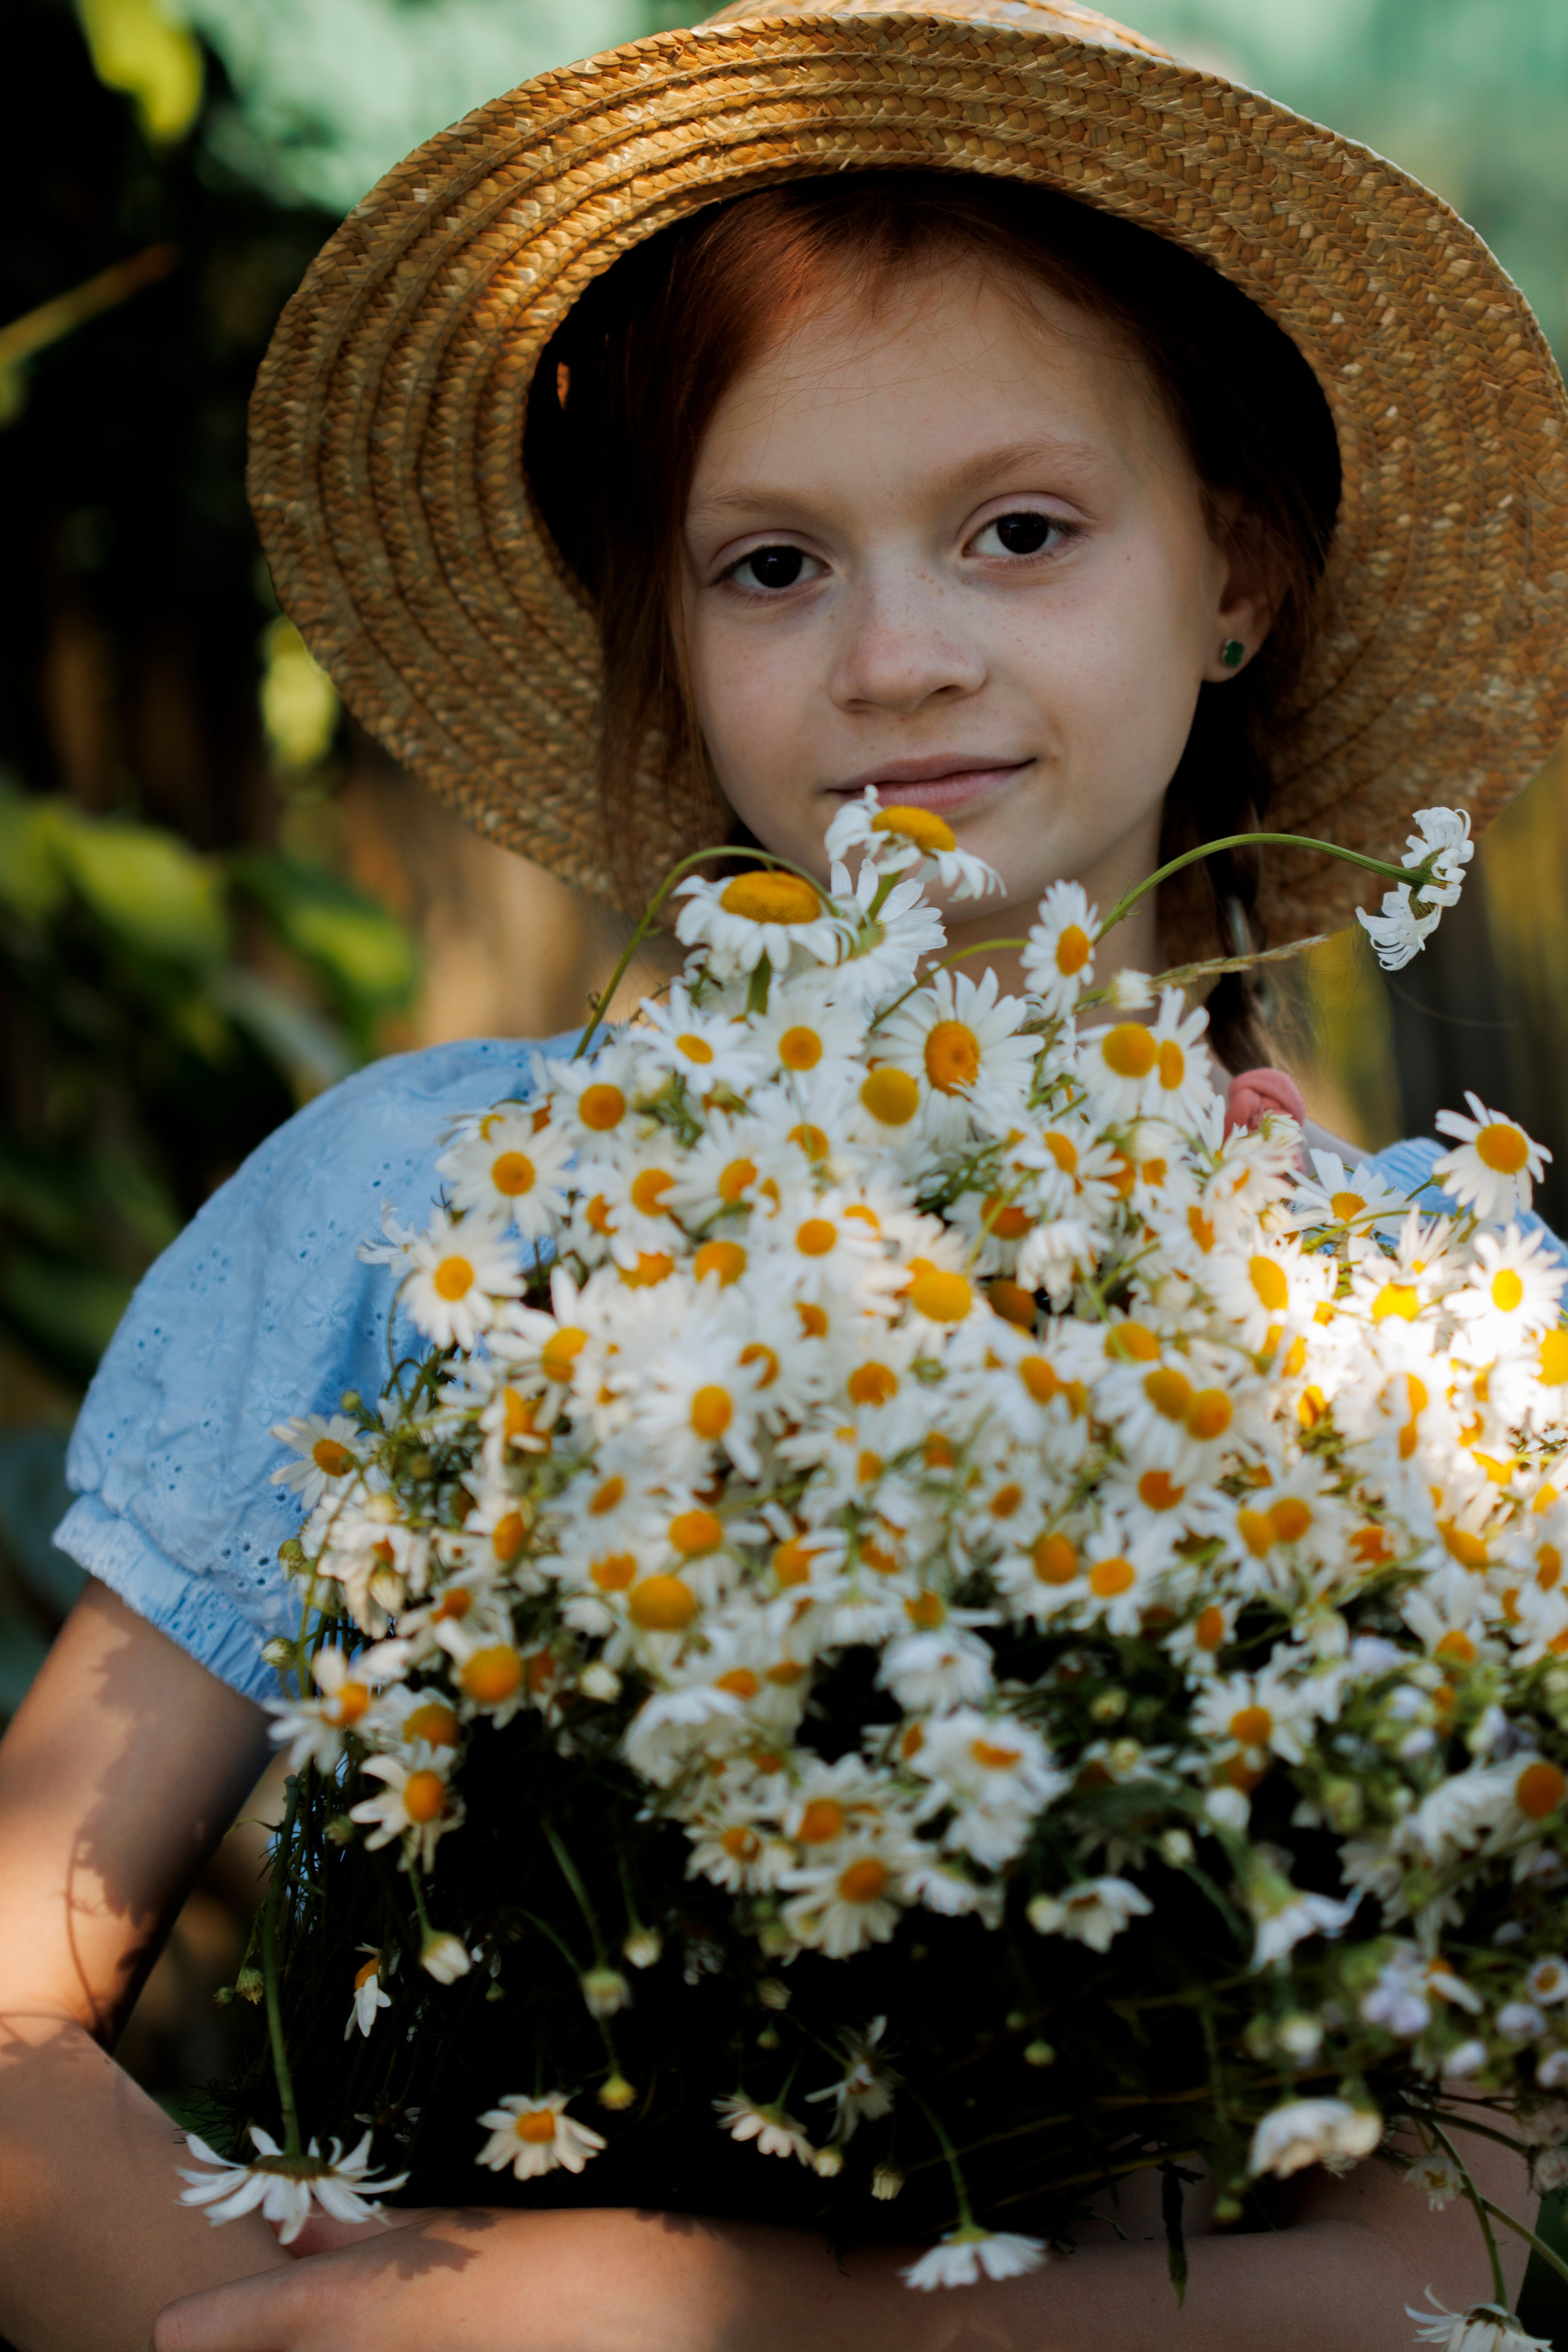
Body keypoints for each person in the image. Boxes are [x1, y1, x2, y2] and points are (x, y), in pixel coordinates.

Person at [2, 3, 1566, 2347]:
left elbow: (1451, 2242)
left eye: (1019, 531)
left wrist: (718, 2318)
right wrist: (291, 2316)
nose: (896, 659)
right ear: (671, 624)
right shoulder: (426, 1216)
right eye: (768, 566)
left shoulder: (1447, 1351)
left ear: (1235, 571)